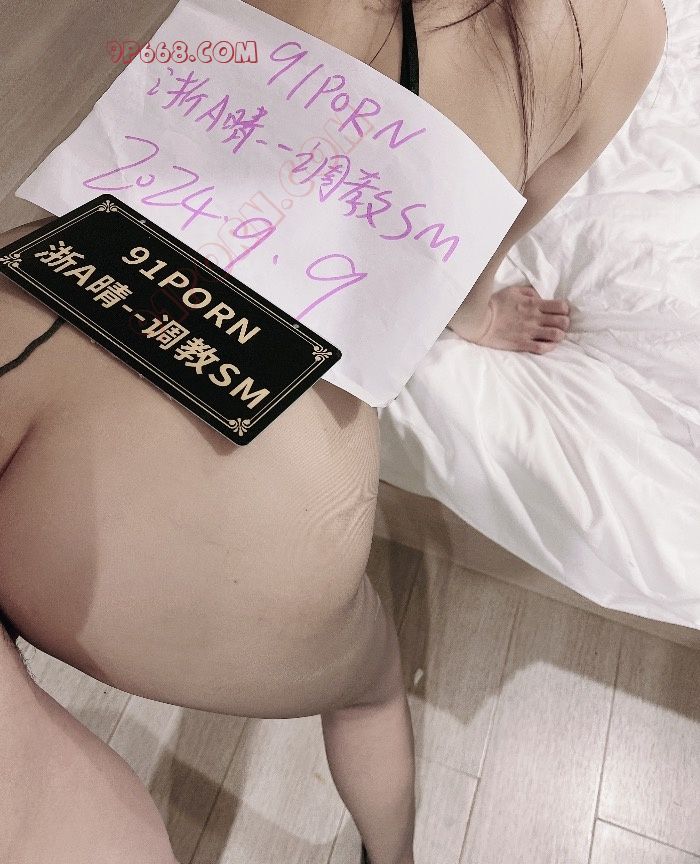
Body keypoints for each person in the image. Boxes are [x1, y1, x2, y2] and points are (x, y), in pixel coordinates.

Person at [0, 0, 667, 862]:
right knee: (370, 687)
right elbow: (486, 236)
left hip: (31, 294)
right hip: (212, 519)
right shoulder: (621, 27)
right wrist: (476, 315)